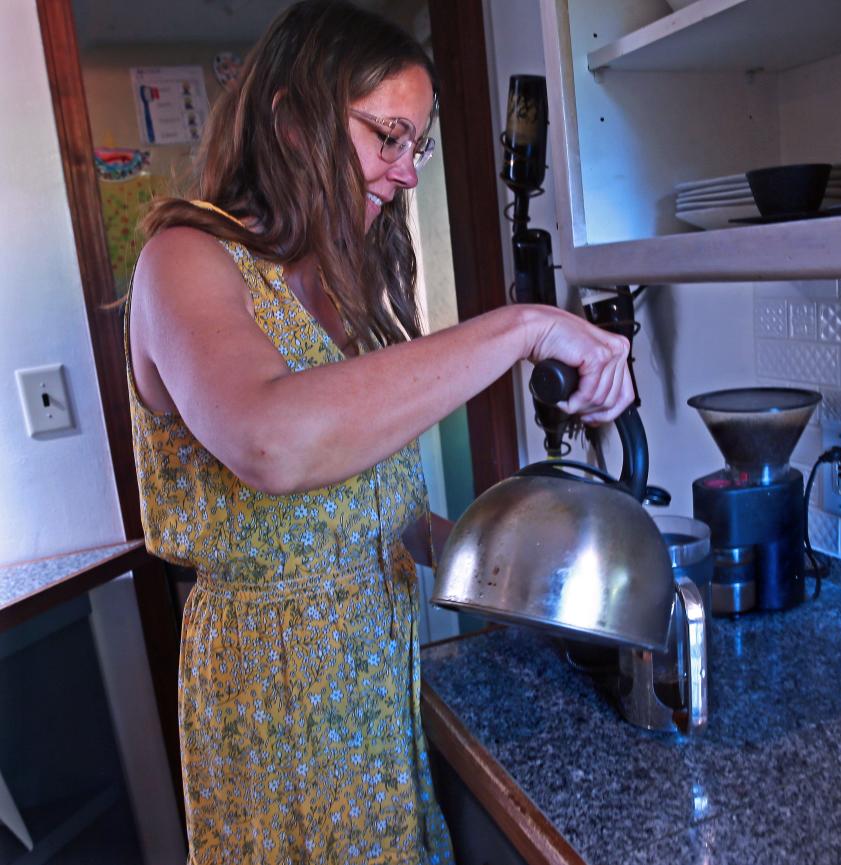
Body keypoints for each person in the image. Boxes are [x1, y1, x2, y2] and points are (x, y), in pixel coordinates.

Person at [125, 1, 633, 862]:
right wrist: (521, 326)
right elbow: (271, 441)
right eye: (386, 136)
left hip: (377, 683)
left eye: (417, 145)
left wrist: (509, 561)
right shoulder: (186, 261)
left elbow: (376, 512)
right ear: (292, 122)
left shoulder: (345, 288)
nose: (405, 172)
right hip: (276, 702)